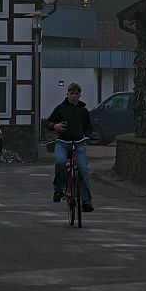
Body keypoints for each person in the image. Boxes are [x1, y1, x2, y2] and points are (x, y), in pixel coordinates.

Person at [45, 83, 94, 211]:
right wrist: (55, 126)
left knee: (83, 169)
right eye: (71, 94)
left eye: (76, 94)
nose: (73, 96)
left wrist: (89, 135)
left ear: (79, 95)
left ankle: (86, 202)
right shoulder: (60, 109)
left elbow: (89, 128)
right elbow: (47, 122)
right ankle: (58, 190)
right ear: (67, 94)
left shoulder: (83, 111)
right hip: (63, 143)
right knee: (60, 162)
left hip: (78, 143)